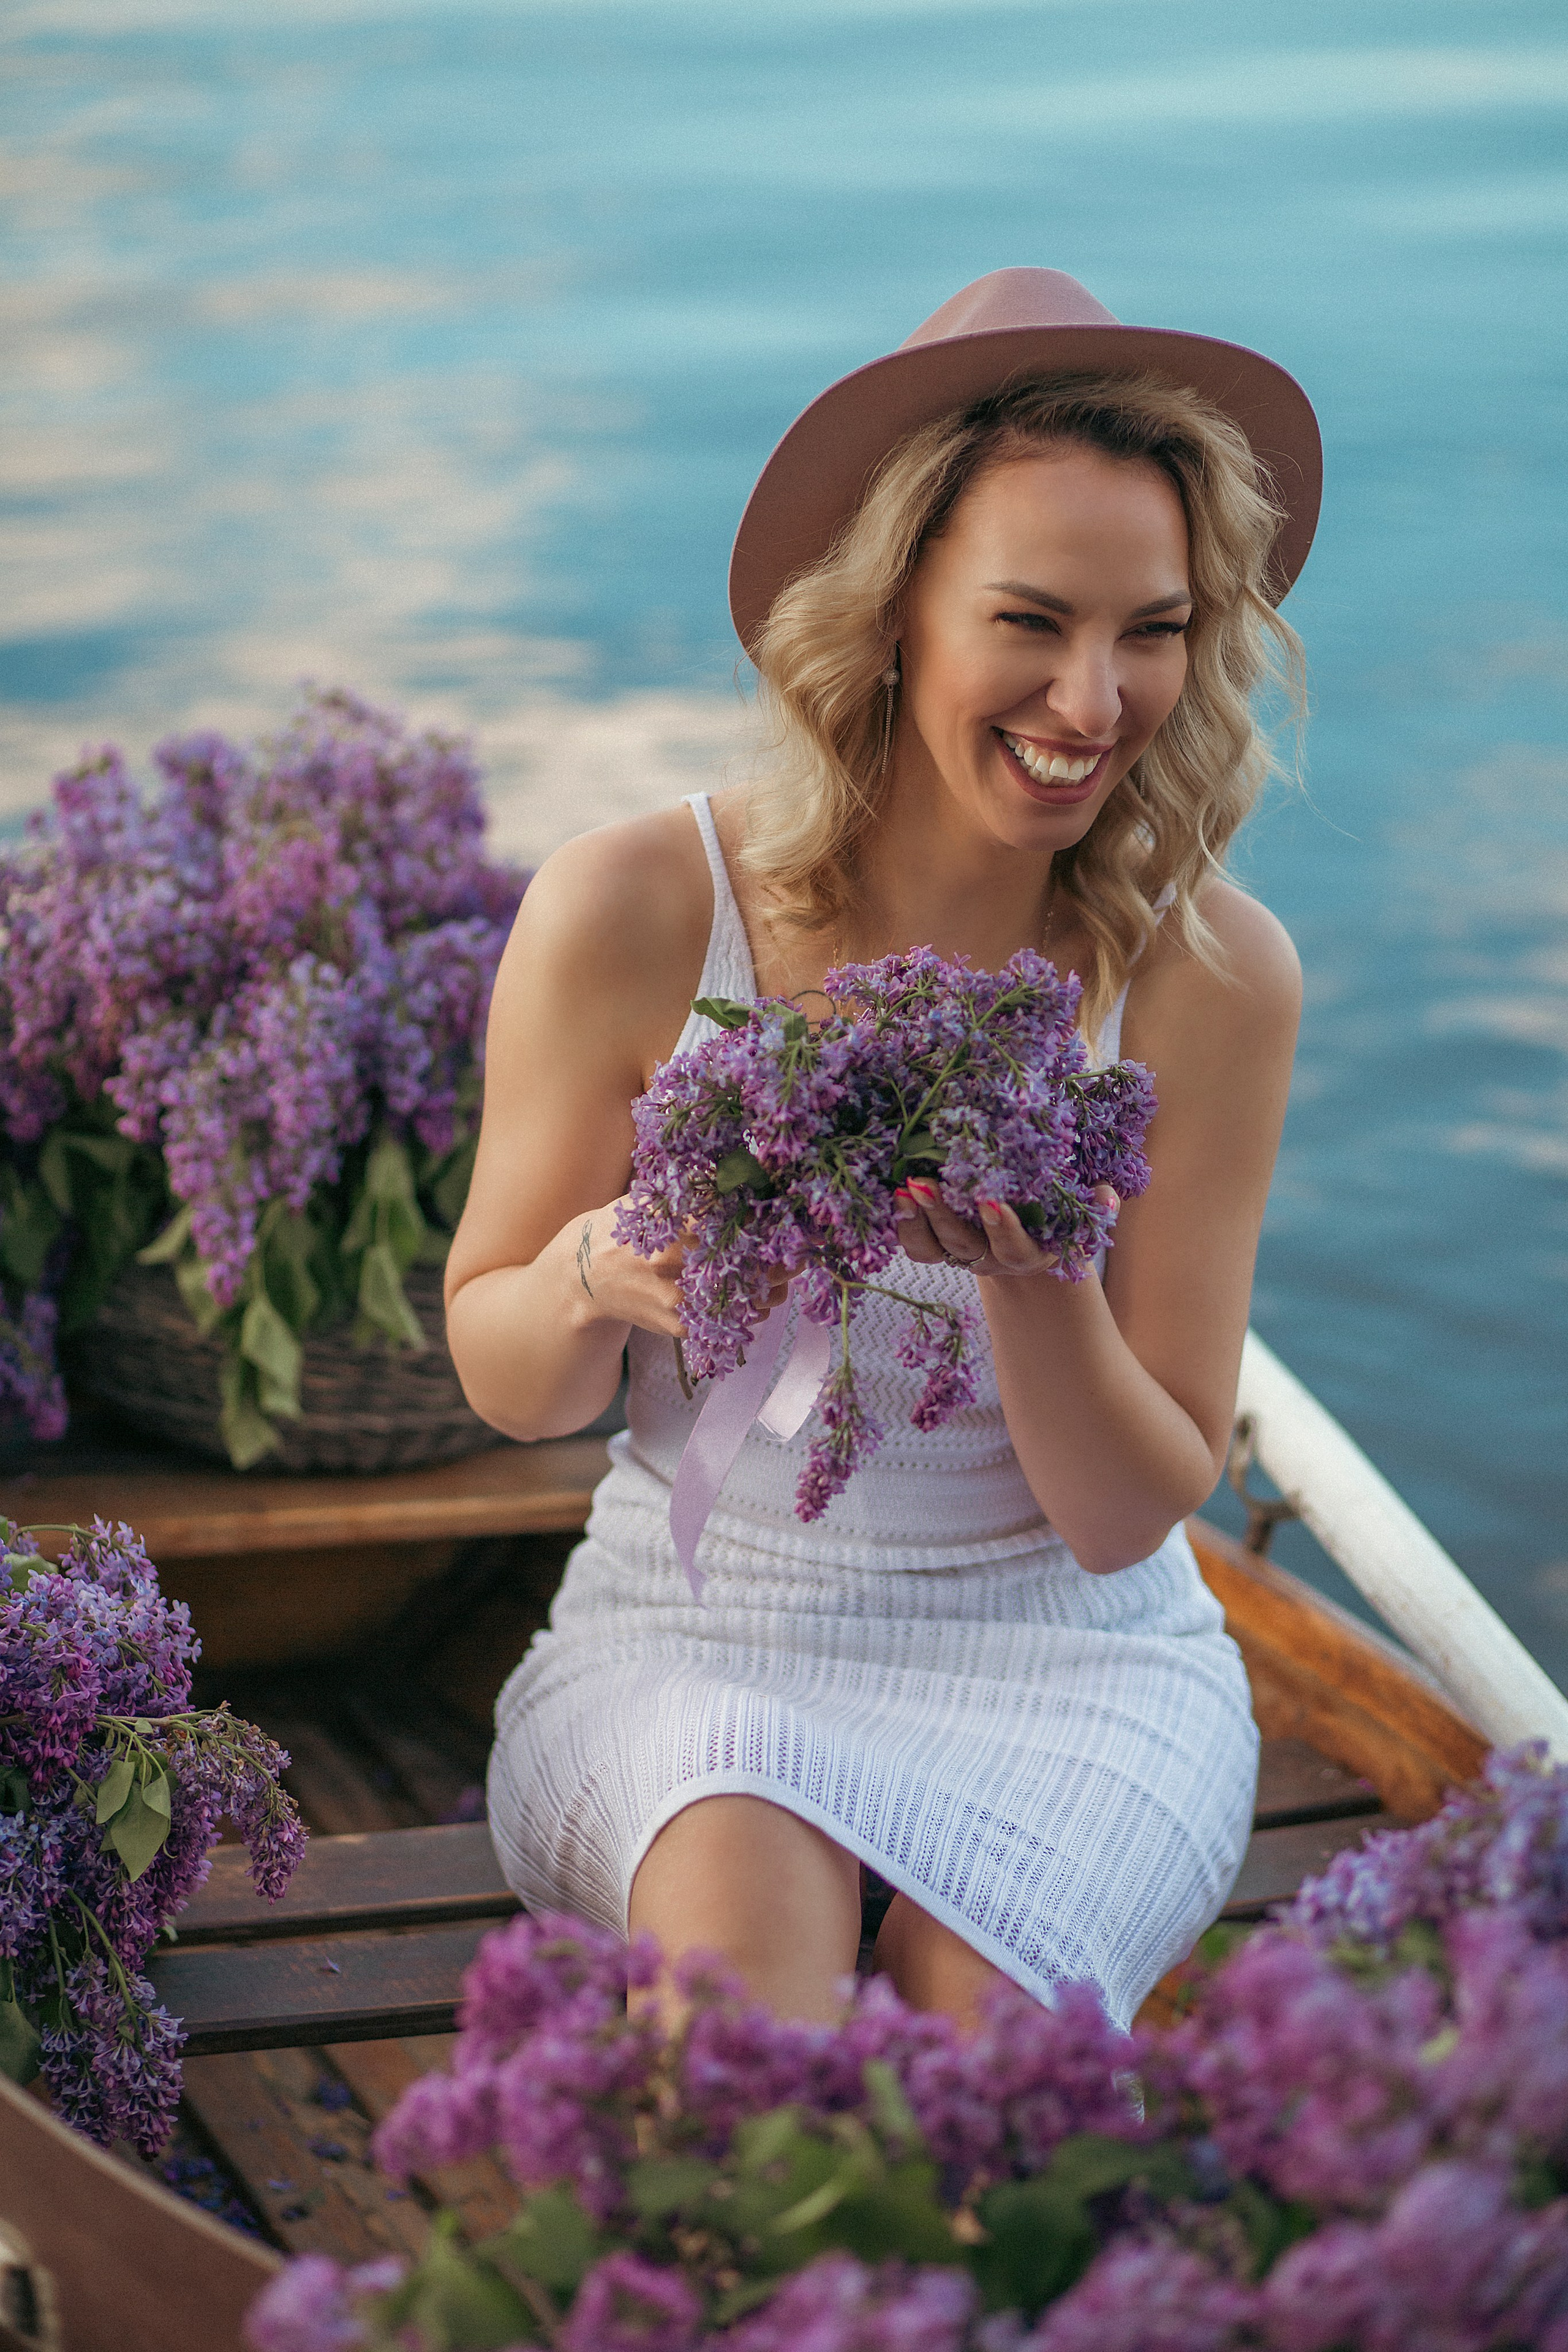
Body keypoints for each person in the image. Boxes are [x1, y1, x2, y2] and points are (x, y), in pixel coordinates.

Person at [445, 268, 1319, 2034]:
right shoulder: (637, 908)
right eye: (1032, 620)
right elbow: (506, 1377)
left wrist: (1039, 1282)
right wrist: (605, 1273)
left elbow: (1126, 1511)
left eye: (1152, 629)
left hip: (1070, 1659)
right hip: (704, 1632)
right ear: (896, 608)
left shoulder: (1208, 973)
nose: (1096, 699)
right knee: (746, 2025)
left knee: (985, 2068)